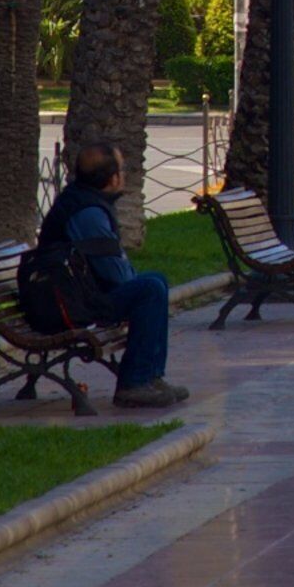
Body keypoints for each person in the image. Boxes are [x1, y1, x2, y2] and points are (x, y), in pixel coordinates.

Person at [32, 142, 185, 408]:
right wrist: (133, 281)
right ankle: (135, 383)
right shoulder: (88, 212)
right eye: (123, 170)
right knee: (150, 289)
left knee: (155, 282)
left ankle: (151, 377)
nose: (124, 175)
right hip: (71, 305)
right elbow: (113, 273)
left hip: (73, 295)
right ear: (113, 178)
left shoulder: (83, 200)